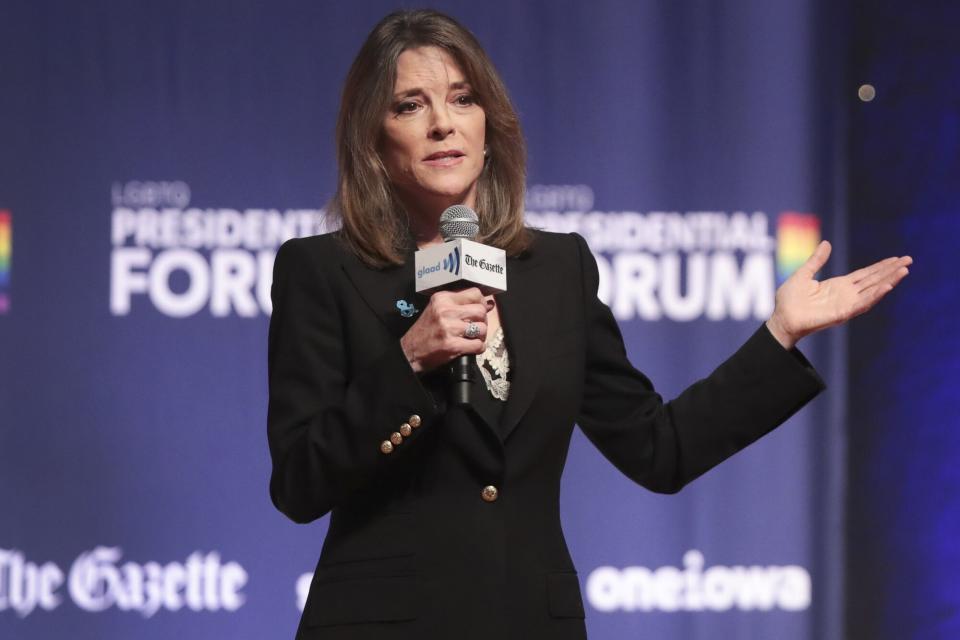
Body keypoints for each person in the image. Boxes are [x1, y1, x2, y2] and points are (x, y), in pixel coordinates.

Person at [266, 9, 911, 640]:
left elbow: (660, 449)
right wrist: (406, 364)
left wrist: (780, 335)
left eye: (462, 100)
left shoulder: (556, 269)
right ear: (373, 138)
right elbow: (299, 484)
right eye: (410, 105)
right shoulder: (322, 271)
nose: (441, 125)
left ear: (489, 127)